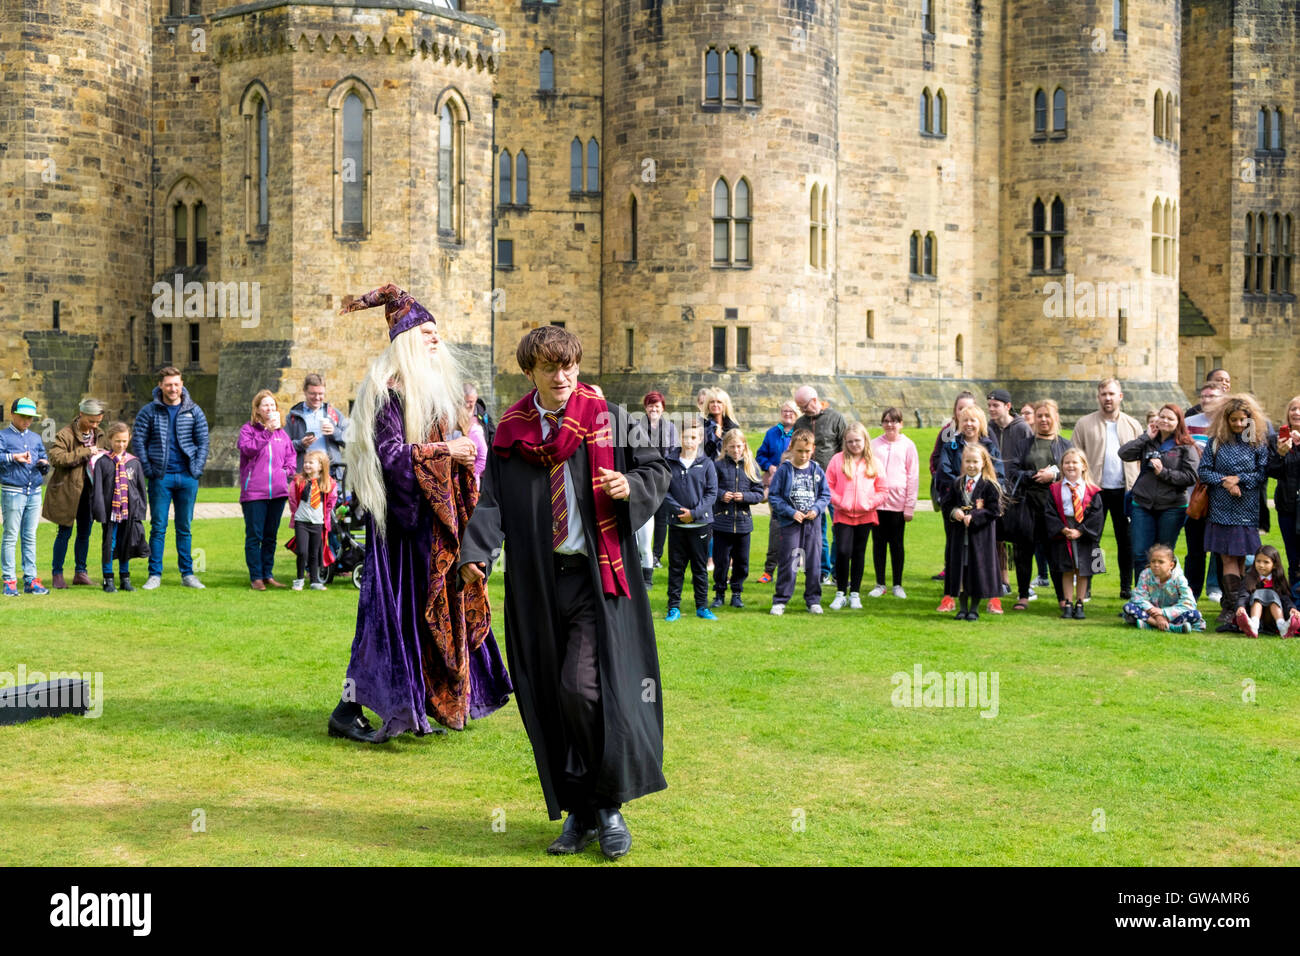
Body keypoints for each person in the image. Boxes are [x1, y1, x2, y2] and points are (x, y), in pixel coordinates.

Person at [459, 324, 669, 860]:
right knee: (550, 697)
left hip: (598, 581)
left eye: (569, 366)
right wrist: (476, 556)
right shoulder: (510, 432)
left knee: (582, 688)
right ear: (529, 371)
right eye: (550, 368)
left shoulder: (611, 420)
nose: (562, 377)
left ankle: (608, 805)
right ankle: (579, 812)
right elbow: (490, 503)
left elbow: (659, 469)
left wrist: (633, 487)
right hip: (537, 583)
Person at [329, 283, 512, 746]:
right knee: (390, 619)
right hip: (403, 529)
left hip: (432, 526)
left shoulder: (431, 393)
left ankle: (428, 699)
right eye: (426, 331)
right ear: (406, 340)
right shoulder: (387, 393)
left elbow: (439, 455)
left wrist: (463, 456)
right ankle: (348, 708)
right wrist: (446, 450)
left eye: (436, 330)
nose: (436, 338)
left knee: (428, 616)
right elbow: (392, 458)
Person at [1198, 393, 1272, 631]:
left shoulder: (1257, 442)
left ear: (1250, 419)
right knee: (1227, 558)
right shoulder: (1216, 442)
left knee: (1241, 558)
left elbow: (1262, 474)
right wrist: (1225, 482)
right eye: (1234, 420)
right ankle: (1232, 607)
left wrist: (1239, 479)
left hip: (1246, 509)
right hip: (1221, 508)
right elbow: (1204, 471)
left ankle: (1238, 605)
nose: (1239, 424)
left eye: (1243, 420)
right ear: (1226, 420)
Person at [132, 366, 210, 590]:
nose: (173, 388)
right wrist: (149, 469)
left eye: (176, 384)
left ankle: (188, 574)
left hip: (187, 477)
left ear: (182, 384)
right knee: (158, 527)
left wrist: (196, 468)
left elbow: (203, 442)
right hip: (161, 478)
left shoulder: (194, 411)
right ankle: (154, 574)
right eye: (168, 384)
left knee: (184, 527)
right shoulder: (149, 411)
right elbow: (139, 441)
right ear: (160, 386)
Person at [1070, 379, 1142, 600]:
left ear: (1120, 396)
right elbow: (1074, 456)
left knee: (1126, 541)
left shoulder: (1132, 425)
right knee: (1092, 541)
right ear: (1098, 397)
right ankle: (1089, 583)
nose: (1107, 398)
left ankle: (1126, 585)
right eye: (1103, 394)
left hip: (1125, 491)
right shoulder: (1084, 424)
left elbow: (1141, 459)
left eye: (1111, 394)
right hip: (1095, 491)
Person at [1004, 399, 1073, 610]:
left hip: (1055, 508)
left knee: (1055, 553)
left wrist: (1054, 475)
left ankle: (1062, 597)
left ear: (1056, 418)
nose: (1043, 420)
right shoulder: (1024, 444)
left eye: (1047, 415)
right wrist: (1036, 475)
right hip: (1027, 505)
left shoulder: (1066, 445)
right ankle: (1023, 595)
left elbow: (1075, 471)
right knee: (1023, 551)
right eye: (1040, 415)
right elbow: (1013, 472)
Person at [936, 405, 1004, 614]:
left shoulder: (990, 446)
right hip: (957, 506)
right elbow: (944, 472)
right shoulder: (952, 445)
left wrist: (976, 503)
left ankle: (991, 597)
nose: (969, 424)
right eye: (965, 420)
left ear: (980, 423)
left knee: (985, 556)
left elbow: (998, 475)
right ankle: (951, 597)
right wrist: (958, 501)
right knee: (957, 555)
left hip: (981, 512)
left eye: (973, 420)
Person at [1118, 404, 1200, 578]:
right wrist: (1145, 437)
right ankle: (1143, 594)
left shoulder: (1186, 446)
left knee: (1163, 555)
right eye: (1162, 417)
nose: (1165, 421)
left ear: (1179, 422)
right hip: (1142, 504)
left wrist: (1163, 472)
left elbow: (1191, 477)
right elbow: (1124, 453)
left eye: (1171, 418)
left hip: (1171, 507)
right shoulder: (1148, 442)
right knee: (1140, 553)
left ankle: (1164, 594)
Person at [44, 398, 107, 588]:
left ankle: (81, 573)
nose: (95, 425)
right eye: (91, 421)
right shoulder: (65, 434)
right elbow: (56, 458)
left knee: (84, 534)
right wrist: (85, 451)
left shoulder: (100, 433)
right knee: (64, 533)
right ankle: (57, 574)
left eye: (98, 421)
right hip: (68, 491)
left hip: (91, 491)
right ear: (81, 414)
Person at [238, 390, 297, 590]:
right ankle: (256, 576)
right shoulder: (248, 430)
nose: (270, 409)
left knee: (271, 535)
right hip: (254, 493)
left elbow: (291, 455)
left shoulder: (282, 434)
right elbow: (248, 449)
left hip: (278, 492)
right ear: (257, 409)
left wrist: (286, 471)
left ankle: (267, 574)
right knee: (255, 535)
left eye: (272, 405)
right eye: (265, 405)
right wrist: (267, 432)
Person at [768, 428, 830, 615]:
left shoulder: (816, 470)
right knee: (789, 561)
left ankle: (813, 600)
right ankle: (781, 600)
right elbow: (774, 497)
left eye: (807, 451)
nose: (803, 455)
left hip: (812, 524)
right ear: (791, 448)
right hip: (790, 524)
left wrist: (816, 509)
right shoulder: (784, 471)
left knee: (813, 561)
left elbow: (825, 494)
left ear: (813, 449)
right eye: (799, 451)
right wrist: (790, 512)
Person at [826, 421, 885, 610]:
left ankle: (855, 594)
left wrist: (869, 503)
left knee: (859, 553)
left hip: (865, 515)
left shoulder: (874, 462)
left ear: (865, 440)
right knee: (843, 552)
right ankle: (840, 592)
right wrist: (840, 501)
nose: (854, 445)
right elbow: (828, 486)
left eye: (857, 441)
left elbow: (882, 490)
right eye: (850, 442)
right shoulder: (837, 460)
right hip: (843, 514)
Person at [663, 419, 717, 621]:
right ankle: (673, 607)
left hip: (700, 524)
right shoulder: (669, 462)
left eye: (693, 437)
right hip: (677, 524)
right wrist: (679, 511)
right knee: (676, 567)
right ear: (680, 437)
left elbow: (711, 493)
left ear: (700, 439)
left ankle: (702, 606)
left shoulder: (707, 464)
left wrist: (694, 514)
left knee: (699, 567)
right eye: (685, 436)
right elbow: (664, 491)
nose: (689, 441)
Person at [793, 385, 848, 583]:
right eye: (800, 407)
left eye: (804, 406)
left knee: (838, 526)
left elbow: (845, 450)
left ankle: (837, 571)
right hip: (809, 484)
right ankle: (823, 570)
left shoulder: (836, 418)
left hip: (834, 483)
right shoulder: (800, 422)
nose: (802, 411)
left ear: (815, 400)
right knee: (817, 529)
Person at [1045, 448, 1105, 619]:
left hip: (1085, 532)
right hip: (1063, 530)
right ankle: (1068, 603)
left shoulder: (1093, 491)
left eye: (1075, 462)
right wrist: (1062, 529)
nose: (1071, 465)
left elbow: (1097, 515)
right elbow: (1049, 512)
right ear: (1062, 466)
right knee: (1067, 569)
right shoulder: (1054, 489)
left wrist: (1080, 531)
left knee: (1083, 569)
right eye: (1067, 463)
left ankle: (1080, 603)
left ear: (1084, 466)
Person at [1, 397, 51, 596]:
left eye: (30, 417)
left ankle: (31, 579)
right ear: (12, 415)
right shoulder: (3, 437)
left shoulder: (35, 438)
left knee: (29, 537)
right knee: (11, 536)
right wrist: (14, 457)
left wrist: (43, 463)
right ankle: (9, 580)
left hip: (34, 492)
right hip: (13, 491)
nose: (27, 421)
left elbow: (43, 456)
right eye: (23, 417)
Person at [90, 422, 148, 593]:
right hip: (110, 512)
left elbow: (140, 488)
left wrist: (140, 510)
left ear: (129, 439)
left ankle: (125, 578)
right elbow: (98, 489)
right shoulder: (102, 463)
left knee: (126, 543)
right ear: (109, 440)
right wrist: (99, 511)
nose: (121, 445)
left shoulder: (134, 463)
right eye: (117, 441)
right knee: (110, 543)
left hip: (129, 511)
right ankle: (108, 579)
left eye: (124, 441)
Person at [987, 389, 1033, 598]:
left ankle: (1024, 583)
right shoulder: (988, 429)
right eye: (989, 405)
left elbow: (1028, 457)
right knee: (997, 539)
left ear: (1007, 406)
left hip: (1017, 491)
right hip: (994, 490)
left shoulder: (1022, 428)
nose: (991, 409)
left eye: (995, 405)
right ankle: (1002, 580)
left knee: (1019, 540)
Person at [711, 428, 764, 609]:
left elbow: (759, 493)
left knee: (741, 562)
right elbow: (710, 489)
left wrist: (744, 496)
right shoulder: (718, 466)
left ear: (744, 446)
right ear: (725, 447)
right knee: (721, 561)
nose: (736, 450)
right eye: (732, 447)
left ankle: (736, 592)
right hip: (721, 523)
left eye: (739, 446)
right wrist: (722, 495)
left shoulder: (751, 466)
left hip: (743, 524)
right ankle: (719, 593)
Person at [869, 406, 918, 599]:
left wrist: (910, 506)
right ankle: (880, 583)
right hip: (878, 504)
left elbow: (913, 477)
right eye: (886, 421)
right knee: (878, 544)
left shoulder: (908, 445)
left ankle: (898, 584)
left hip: (898, 505)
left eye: (894, 421)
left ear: (901, 424)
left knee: (897, 545)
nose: (890, 425)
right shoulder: (874, 445)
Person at [928, 390, 976, 582]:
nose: (964, 411)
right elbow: (937, 458)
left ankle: (974, 570)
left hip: (976, 492)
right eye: (960, 408)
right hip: (952, 493)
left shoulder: (981, 431)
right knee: (952, 533)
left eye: (968, 408)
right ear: (955, 410)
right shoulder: (948, 431)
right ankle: (950, 567)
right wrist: (945, 480)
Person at [1182, 382, 1223, 600]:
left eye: (1212, 396)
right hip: (1194, 495)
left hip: (1221, 495)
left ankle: (1219, 590)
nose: (1206, 400)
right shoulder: (1188, 423)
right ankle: (1192, 593)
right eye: (1204, 396)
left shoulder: (1230, 423)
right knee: (1195, 548)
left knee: (1220, 548)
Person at [756, 400, 799, 583]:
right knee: (776, 528)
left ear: (797, 414)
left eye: (791, 411)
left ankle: (795, 570)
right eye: (784, 411)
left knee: (798, 530)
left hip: (797, 488)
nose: (787, 413)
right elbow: (760, 455)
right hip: (776, 487)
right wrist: (770, 467)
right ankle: (769, 571)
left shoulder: (800, 433)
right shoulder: (772, 433)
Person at [1121, 544, 1204, 632]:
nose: (1156, 565)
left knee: (1195, 614)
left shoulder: (1179, 579)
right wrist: (1157, 615)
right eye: (1153, 561)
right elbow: (1138, 597)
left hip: (1173, 614)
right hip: (1151, 613)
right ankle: (1171, 627)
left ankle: (1150, 625)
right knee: (1128, 607)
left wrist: (1164, 613)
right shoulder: (1145, 574)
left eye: (1161, 562)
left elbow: (1189, 603)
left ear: (1171, 565)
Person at [287, 450, 337, 591]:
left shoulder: (328, 483)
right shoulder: (299, 481)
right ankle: (299, 579)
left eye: (311, 462)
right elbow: (292, 499)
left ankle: (315, 580)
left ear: (321, 466)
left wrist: (325, 516)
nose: (307, 465)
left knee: (315, 553)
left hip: (317, 523)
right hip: (301, 522)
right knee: (302, 551)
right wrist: (295, 513)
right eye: (306, 462)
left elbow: (331, 501)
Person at [642, 391, 680, 569]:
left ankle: (656, 555)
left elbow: (674, 453)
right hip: (643, 478)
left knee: (661, 519)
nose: (653, 409)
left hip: (663, 478)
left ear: (663, 408)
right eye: (650, 405)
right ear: (645, 407)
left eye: (657, 406)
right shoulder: (638, 426)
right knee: (642, 517)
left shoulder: (670, 428)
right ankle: (642, 553)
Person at [1268, 394, 1300, 599]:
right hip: (1288, 506)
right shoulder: (1276, 440)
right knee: (1294, 556)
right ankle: (1296, 602)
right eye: (1293, 409)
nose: (1296, 412)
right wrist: (1280, 453)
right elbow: (1271, 471)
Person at [287, 373, 349, 478]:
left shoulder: (334, 413)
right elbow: (283, 447)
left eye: (321, 394)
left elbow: (351, 441)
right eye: (313, 393)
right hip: (304, 476)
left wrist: (335, 432)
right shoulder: (292, 417)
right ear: (305, 392)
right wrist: (300, 444)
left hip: (331, 475)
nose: (317, 397)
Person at [1233, 544, 1300, 638]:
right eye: (1258, 561)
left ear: (1274, 565)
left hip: (1272, 618)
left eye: (1266, 562)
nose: (1261, 565)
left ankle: (1282, 626)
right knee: (1258, 595)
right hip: (1256, 616)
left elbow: (1285, 598)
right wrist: (1241, 607)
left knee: (1271, 595)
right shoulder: (1249, 578)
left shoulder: (1278, 580)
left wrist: (1292, 609)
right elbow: (1243, 596)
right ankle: (1253, 625)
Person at [700, 387, 740, 462]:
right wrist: (714, 438)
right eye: (712, 402)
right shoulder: (701, 425)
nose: (715, 404)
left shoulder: (733, 428)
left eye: (719, 402)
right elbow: (700, 454)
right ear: (707, 404)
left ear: (725, 405)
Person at [463, 380, 495, 449]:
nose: (467, 405)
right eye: (465, 402)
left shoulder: (483, 415)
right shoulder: (454, 415)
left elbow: (492, 435)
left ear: (476, 397)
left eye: (470, 402)